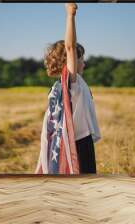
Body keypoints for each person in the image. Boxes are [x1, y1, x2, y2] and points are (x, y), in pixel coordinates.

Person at [35, 3, 101, 174]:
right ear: (70, 61)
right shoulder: (71, 82)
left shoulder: (70, 84)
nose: (84, 63)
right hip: (78, 143)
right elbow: (70, 47)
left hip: (80, 140)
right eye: (81, 59)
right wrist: (70, 16)